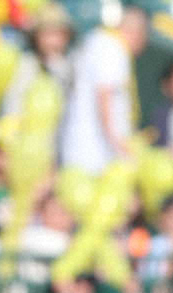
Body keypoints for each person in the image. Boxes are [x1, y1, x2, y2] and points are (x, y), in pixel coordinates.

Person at [59, 6, 149, 174]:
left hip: (86, 149)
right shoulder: (111, 48)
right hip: (92, 152)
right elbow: (104, 95)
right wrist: (116, 142)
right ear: (137, 32)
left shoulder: (99, 41)